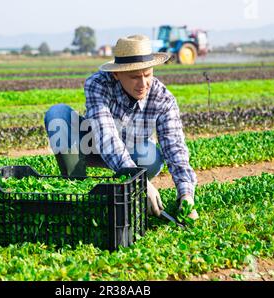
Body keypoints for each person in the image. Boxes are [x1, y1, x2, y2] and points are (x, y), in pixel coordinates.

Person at [44, 34, 198, 219]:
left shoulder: (162, 98)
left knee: (150, 156)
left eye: (148, 75)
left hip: (135, 153)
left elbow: (175, 147)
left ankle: (123, 190)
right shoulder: (98, 84)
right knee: (57, 115)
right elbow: (106, 135)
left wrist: (186, 195)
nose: (143, 84)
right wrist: (140, 181)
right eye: (134, 77)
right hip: (92, 146)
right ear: (116, 74)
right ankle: (78, 190)